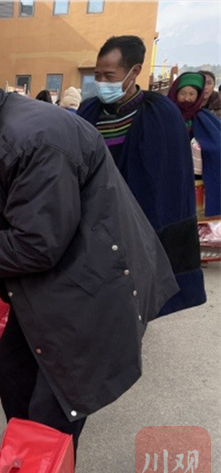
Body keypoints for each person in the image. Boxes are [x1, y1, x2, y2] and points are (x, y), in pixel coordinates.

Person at [0, 51, 178, 455]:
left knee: (55, 408)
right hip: (54, 279)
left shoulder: (32, 139)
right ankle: (21, 461)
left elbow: (37, 244)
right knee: (14, 372)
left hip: (91, 285)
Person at [78, 35, 205, 316]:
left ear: (134, 71)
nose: (101, 82)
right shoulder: (88, 111)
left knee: (133, 301)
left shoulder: (161, 114)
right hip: (93, 219)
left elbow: (168, 181)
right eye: (97, 75)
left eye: (109, 76)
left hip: (140, 221)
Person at [167, 71, 221, 218]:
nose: (187, 98)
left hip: (196, 182)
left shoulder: (205, 117)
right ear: (175, 93)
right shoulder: (165, 115)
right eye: (183, 93)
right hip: (169, 176)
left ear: (198, 96)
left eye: (192, 94)